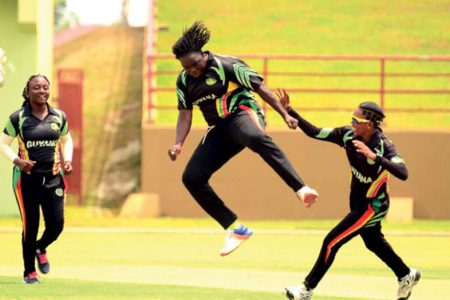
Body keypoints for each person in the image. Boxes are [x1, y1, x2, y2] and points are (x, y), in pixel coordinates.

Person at [167, 21, 318, 256]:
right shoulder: (183, 81)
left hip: (243, 114)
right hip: (218, 128)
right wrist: (178, 143)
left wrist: (285, 115)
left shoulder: (227, 65)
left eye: (195, 65)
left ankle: (301, 188)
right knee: (192, 177)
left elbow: (261, 88)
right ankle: (235, 228)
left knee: (255, 137)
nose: (193, 71)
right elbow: (184, 114)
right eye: (188, 68)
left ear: (204, 55)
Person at [277, 89, 421, 300]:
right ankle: (405, 274)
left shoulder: (384, 146)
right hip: (357, 202)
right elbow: (314, 131)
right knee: (372, 241)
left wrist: (376, 157)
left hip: (373, 206)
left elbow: (404, 173)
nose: (351, 122)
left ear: (370, 124)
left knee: (331, 242)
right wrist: (290, 110)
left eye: (356, 119)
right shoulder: (346, 135)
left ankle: (306, 290)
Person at [0, 74, 73, 284]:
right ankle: (29, 272)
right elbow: (3, 144)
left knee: (57, 224)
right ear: (28, 91)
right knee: (30, 226)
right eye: (36, 87)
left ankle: (40, 248)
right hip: (26, 180)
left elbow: (67, 140)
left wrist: (67, 160)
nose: (41, 91)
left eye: (45, 87)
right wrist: (17, 161)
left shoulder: (59, 116)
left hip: (53, 178)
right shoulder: (18, 118)